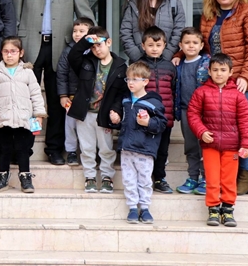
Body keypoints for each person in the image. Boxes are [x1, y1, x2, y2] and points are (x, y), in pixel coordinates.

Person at [11, 0, 95, 165]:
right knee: (24, 98)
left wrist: (85, 43)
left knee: (59, 100)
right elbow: (13, 16)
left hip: (61, 47)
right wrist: (15, 47)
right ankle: (22, 147)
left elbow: (85, 16)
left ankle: (54, 149)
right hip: (29, 47)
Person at [181, 0, 248, 195]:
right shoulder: (209, 14)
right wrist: (181, 54)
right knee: (222, 130)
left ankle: (244, 178)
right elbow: (202, 47)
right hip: (217, 82)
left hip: (240, 82)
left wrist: (245, 76)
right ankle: (220, 176)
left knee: (240, 130)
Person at [187, 53, 248, 227]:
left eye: (223, 70)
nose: (219, 73)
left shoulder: (238, 95)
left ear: (230, 72)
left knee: (229, 179)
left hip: (232, 146)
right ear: (209, 71)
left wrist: (247, 144)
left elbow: (245, 120)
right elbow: (193, 114)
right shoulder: (201, 91)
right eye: (215, 70)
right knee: (212, 178)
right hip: (210, 144)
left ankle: (228, 209)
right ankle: (213, 209)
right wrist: (201, 131)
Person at [66, 26, 128, 193]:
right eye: (93, 47)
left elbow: (122, 93)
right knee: (86, 147)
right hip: (85, 113)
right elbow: (73, 55)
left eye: (99, 45)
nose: (96, 49)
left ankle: (107, 176)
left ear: (109, 42)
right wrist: (87, 40)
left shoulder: (121, 66)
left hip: (104, 114)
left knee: (106, 148)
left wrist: (117, 110)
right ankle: (90, 177)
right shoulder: (86, 62)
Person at [0, 37, 46, 193]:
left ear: (21, 53)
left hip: (23, 118)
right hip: (2, 117)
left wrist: (39, 114)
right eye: (6, 51)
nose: (9, 55)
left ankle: (25, 177)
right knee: (4, 148)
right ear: (1, 53)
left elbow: (36, 94)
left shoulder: (27, 72)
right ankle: (2, 177)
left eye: (13, 51)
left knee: (22, 148)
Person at [110, 62, 167, 224]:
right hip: (127, 149)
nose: (131, 83)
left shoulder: (153, 102)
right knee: (129, 180)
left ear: (145, 82)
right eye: (128, 79)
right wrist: (116, 120)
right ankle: (133, 208)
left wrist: (148, 122)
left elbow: (162, 124)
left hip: (144, 149)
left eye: (135, 79)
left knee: (144, 180)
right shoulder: (126, 101)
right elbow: (123, 123)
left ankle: (145, 208)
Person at [135, 26, 177, 194]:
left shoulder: (169, 67)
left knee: (162, 150)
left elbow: (174, 91)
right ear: (143, 46)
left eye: (158, 45)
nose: (154, 49)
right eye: (150, 45)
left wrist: (174, 112)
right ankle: (142, 179)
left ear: (164, 46)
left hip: (165, 117)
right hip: (144, 117)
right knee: (144, 149)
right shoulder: (138, 66)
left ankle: (159, 178)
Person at [120, 0, 186, 63]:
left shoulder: (174, 2)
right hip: (138, 64)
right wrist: (138, 58)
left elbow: (178, 33)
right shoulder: (133, 2)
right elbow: (125, 34)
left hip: (165, 63)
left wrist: (166, 57)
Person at [174, 27, 211, 194]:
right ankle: (193, 177)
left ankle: (206, 179)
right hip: (185, 110)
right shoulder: (178, 64)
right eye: (187, 43)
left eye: (195, 43)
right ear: (180, 45)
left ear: (202, 45)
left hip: (203, 113)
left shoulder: (207, 63)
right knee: (190, 146)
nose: (191, 46)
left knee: (204, 146)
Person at [57, 17, 94, 165]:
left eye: (82, 31)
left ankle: (88, 152)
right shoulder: (68, 51)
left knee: (88, 125)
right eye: (75, 31)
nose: (77, 34)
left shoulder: (94, 50)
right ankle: (71, 151)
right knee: (70, 125)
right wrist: (63, 95)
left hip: (90, 96)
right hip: (72, 95)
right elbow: (61, 74)